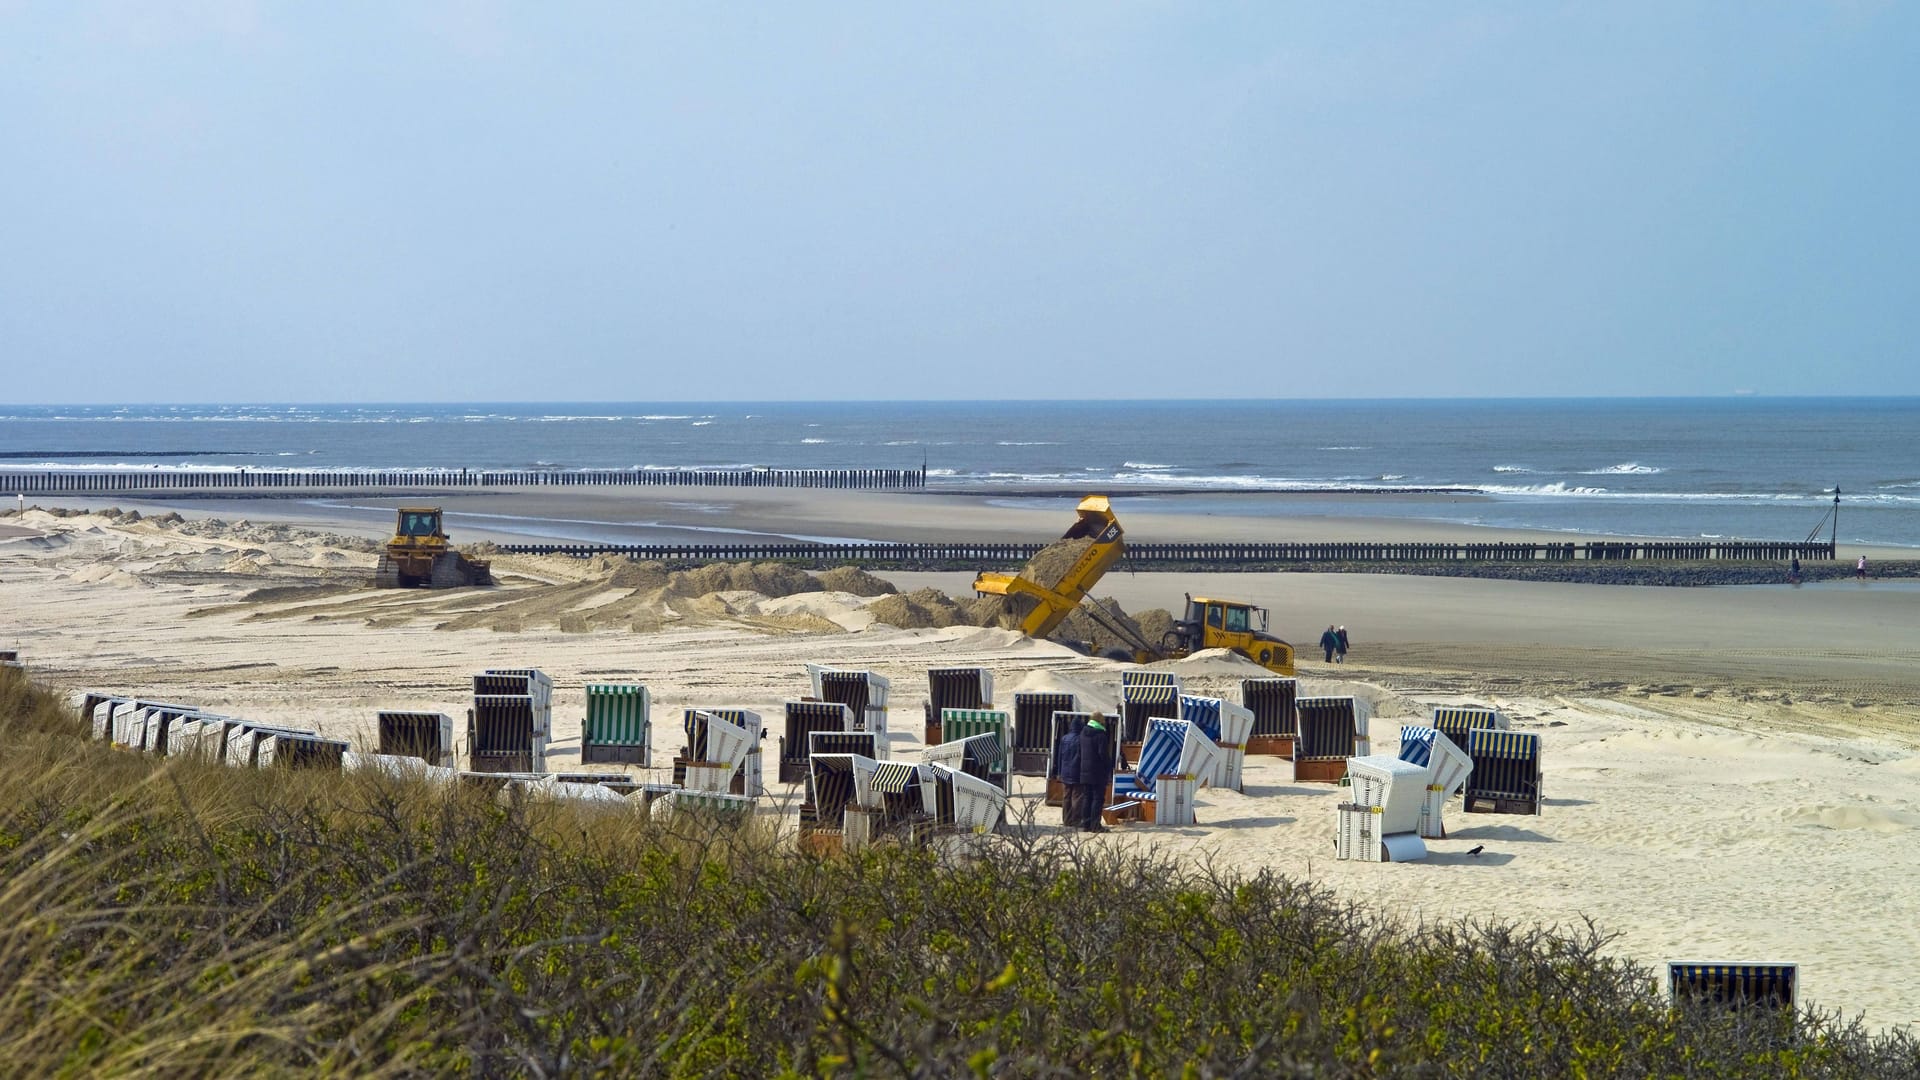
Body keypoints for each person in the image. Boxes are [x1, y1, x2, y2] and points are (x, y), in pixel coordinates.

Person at [1077, 714, 1114, 832]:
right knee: (1097, 799)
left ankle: (1086, 824)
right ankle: (1095, 825)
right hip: (1097, 772)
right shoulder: (1100, 735)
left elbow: (1079, 752)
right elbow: (1103, 755)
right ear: (1100, 721)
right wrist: (1109, 767)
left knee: (1087, 797)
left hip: (1084, 770)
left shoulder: (1082, 733)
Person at [1055, 720, 1083, 828]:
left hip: (1065, 771)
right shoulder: (1081, 739)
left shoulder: (1064, 738)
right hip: (1077, 771)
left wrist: (1058, 771)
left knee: (1066, 797)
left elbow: (1059, 756)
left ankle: (1066, 820)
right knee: (1077, 796)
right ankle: (1075, 820)